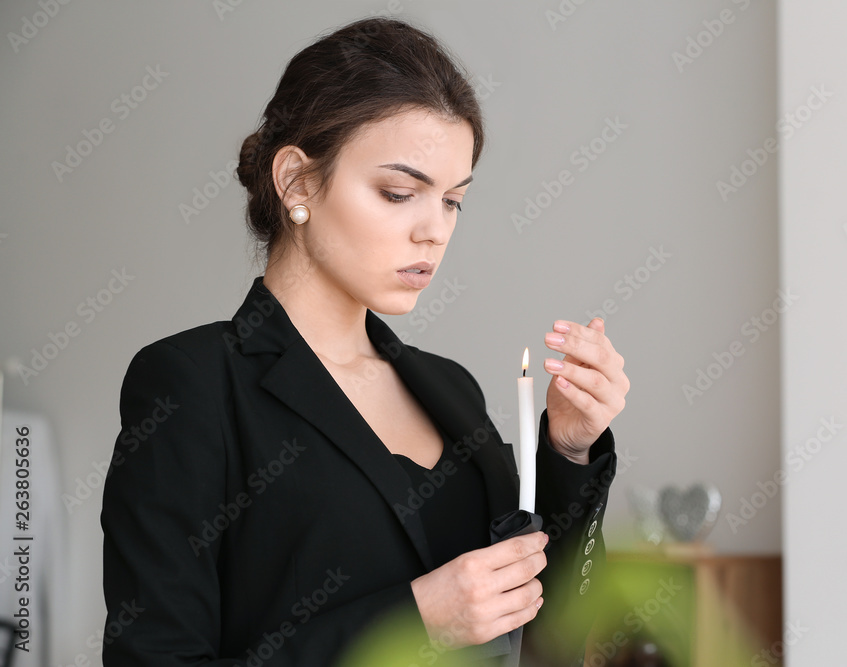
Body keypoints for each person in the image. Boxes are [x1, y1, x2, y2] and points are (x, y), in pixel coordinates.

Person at [100, 16, 629, 667]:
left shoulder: (451, 389)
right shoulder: (192, 384)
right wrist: (415, 620)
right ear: (296, 180)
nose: (433, 230)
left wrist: (568, 450)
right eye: (399, 192)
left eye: (453, 201)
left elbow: (549, 639)